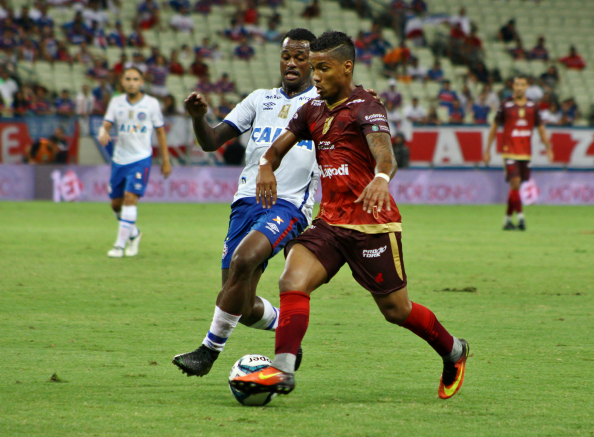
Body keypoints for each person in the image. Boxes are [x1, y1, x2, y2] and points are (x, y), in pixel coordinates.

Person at [230, 31, 469, 400]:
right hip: (329, 223)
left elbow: (386, 155)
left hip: (372, 225)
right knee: (292, 280)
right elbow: (275, 150)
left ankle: (454, 350)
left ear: (346, 67)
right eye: (313, 69)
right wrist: (264, 166)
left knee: (396, 310)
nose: (315, 77)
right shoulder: (310, 110)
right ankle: (283, 370)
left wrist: (380, 178)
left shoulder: (366, 107)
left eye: (322, 68)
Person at [171, 28, 321, 378]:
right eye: (287, 56)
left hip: (289, 204)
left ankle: (207, 353)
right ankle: (287, 327)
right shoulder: (259, 99)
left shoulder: (322, 104)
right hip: (245, 203)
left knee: (244, 260)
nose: (292, 63)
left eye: (301, 57)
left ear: (313, 62)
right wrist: (197, 117)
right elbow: (211, 142)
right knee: (238, 299)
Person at [97, 67, 172, 258]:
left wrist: (165, 160)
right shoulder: (116, 102)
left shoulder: (151, 104)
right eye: (128, 79)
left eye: (135, 79)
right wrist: (103, 132)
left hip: (141, 159)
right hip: (119, 159)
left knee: (130, 198)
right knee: (116, 205)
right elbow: (106, 125)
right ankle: (134, 234)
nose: (131, 82)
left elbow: (160, 132)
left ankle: (119, 246)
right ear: (122, 81)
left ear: (141, 82)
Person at [483, 75, 553, 231]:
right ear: (512, 86)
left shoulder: (533, 107)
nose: (519, 87)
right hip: (509, 151)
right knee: (515, 183)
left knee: (515, 188)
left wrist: (548, 148)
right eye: (516, 84)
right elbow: (494, 127)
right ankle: (521, 219)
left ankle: (507, 220)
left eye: (522, 84)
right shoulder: (505, 105)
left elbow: (541, 129)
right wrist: (487, 150)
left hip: (525, 153)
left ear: (527, 86)